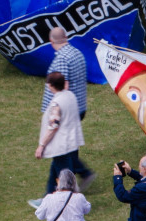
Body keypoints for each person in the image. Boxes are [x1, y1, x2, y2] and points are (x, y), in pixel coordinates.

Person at [40, 27, 94, 190]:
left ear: (51, 42)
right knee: (69, 149)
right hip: (79, 106)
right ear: (66, 37)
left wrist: (53, 111)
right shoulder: (77, 53)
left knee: (61, 152)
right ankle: (83, 174)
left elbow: (62, 86)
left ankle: (65, 187)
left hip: (66, 111)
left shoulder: (61, 59)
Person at [31, 72, 85, 208]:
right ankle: (46, 198)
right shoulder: (70, 95)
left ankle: (70, 204)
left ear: (51, 86)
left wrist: (41, 146)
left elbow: (53, 126)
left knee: (65, 177)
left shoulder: (57, 103)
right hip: (72, 143)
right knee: (55, 172)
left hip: (61, 146)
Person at [112, 153, 146, 221]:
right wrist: (130, 171)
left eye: (140, 165)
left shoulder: (141, 188)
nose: (139, 167)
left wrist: (117, 177)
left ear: (144, 169)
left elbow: (123, 196)